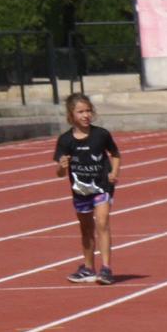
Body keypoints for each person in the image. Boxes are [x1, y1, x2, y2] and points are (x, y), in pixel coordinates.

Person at [53, 93, 119, 286]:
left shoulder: (101, 135)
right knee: (86, 229)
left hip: (101, 187)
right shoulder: (65, 140)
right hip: (80, 191)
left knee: (102, 222)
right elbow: (59, 173)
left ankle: (106, 269)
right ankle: (88, 268)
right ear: (71, 115)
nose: (85, 115)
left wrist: (114, 172)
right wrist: (62, 166)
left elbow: (115, 154)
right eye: (80, 111)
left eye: (88, 110)